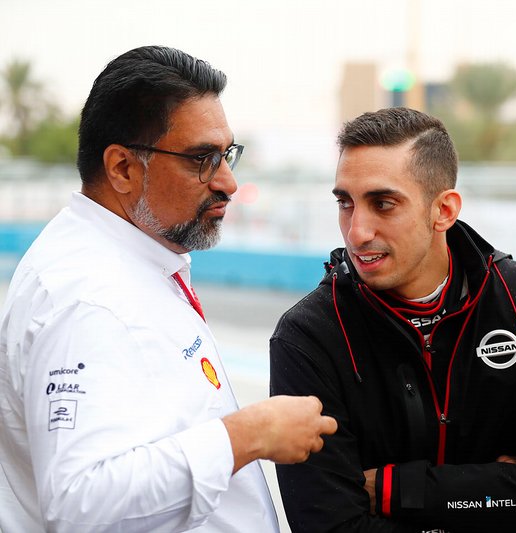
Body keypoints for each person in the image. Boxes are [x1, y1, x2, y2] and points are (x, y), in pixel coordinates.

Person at [0, 45, 337, 533]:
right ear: (122, 168)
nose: (228, 182)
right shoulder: (87, 298)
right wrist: (248, 436)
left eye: (227, 155)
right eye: (201, 158)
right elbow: (80, 503)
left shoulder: (131, 261)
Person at [270, 107, 516, 532]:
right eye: (346, 203)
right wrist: (500, 496)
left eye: (383, 204)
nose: (357, 232)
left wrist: (394, 488)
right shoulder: (307, 335)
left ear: (444, 210)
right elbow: (329, 526)